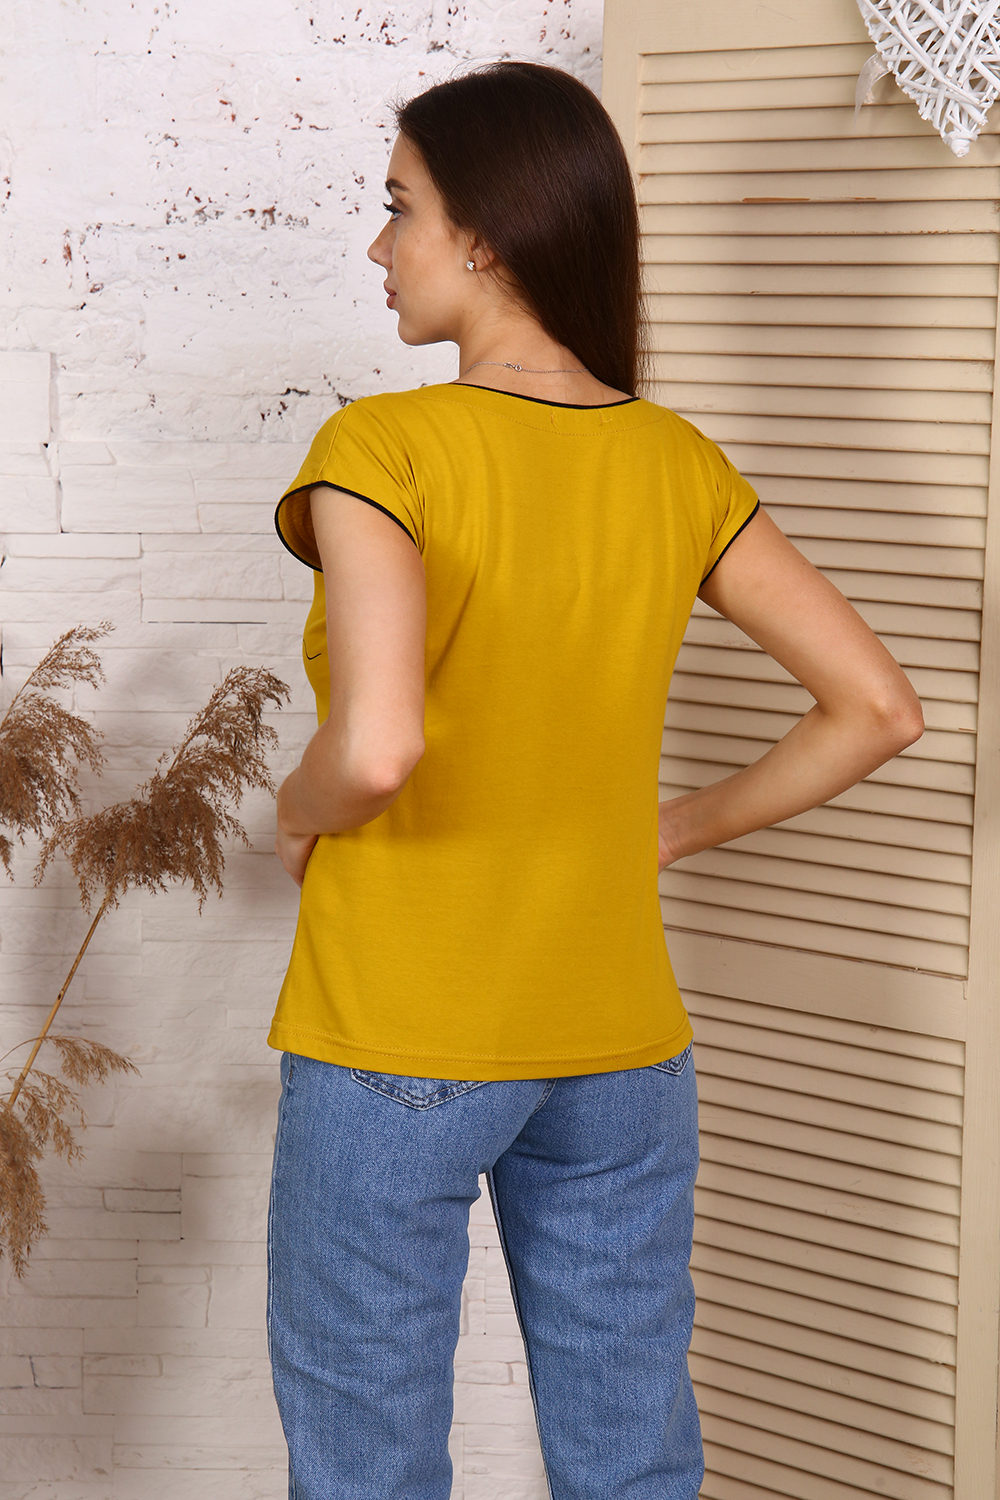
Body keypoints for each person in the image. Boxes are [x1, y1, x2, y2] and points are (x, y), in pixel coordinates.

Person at [266, 61, 923, 1500]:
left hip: (399, 1029)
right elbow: (877, 708)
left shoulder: (384, 447)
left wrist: (293, 816)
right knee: (632, 1458)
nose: (379, 244)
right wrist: (666, 832)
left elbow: (375, 748)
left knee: (368, 1460)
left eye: (400, 207)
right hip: (620, 1041)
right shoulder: (676, 461)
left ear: (486, 233)